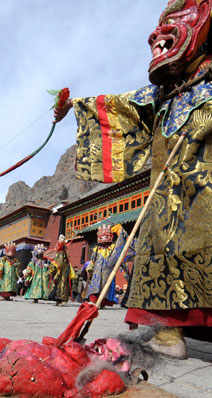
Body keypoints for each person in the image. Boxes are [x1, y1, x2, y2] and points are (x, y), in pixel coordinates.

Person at [54, 0, 212, 358]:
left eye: (175, 21)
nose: (156, 34)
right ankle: (168, 332)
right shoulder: (165, 93)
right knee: (165, 249)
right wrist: (75, 107)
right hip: (167, 196)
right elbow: (122, 107)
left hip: (208, 189)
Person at [86, 225, 118, 309]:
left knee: (105, 286)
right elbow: (92, 260)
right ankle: (93, 300)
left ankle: (103, 302)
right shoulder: (96, 249)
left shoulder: (113, 248)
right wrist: (90, 267)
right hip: (97, 271)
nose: (104, 238)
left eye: (106, 236)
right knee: (95, 285)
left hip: (107, 271)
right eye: (102, 236)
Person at [49, 235, 75, 307]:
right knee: (56, 285)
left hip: (63, 271)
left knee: (63, 285)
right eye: (60, 238)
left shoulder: (63, 253)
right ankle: (57, 300)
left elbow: (62, 262)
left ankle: (62, 300)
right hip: (58, 272)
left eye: (63, 238)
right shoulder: (58, 253)